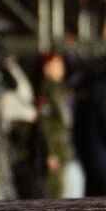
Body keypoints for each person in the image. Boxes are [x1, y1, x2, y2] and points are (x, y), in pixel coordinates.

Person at [36, 53, 77, 199]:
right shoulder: (47, 89)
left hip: (64, 147)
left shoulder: (60, 88)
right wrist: (50, 152)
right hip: (56, 149)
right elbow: (45, 123)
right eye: (56, 63)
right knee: (56, 194)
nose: (61, 66)